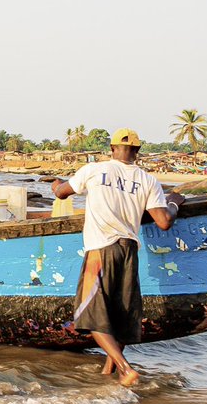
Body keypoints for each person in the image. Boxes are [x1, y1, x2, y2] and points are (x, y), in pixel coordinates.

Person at [51, 128, 182, 386]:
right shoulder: (148, 180)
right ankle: (108, 373)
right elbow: (164, 221)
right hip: (129, 250)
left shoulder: (93, 170)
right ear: (137, 151)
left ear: (111, 149)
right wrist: (175, 202)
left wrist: (55, 183)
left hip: (100, 249)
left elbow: (62, 193)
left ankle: (125, 368)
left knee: (90, 312)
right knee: (121, 314)